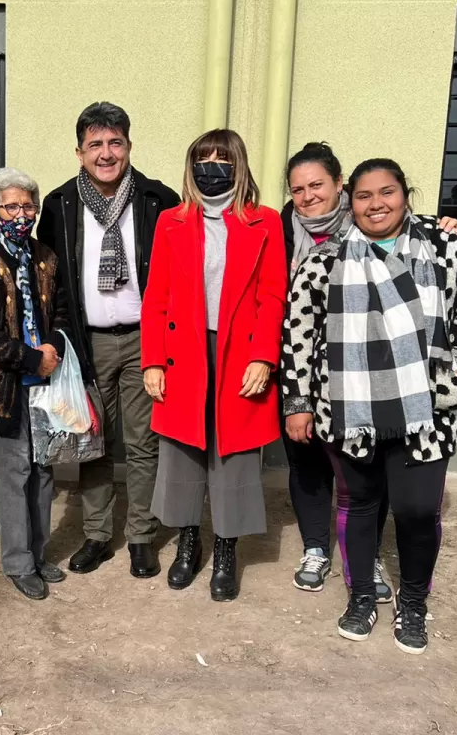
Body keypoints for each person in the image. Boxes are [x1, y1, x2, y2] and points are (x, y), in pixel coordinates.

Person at [280, 158, 457, 654]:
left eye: (387, 192)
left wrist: (456, 363)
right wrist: (298, 401)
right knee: (358, 504)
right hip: (348, 404)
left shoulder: (448, 245)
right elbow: (297, 332)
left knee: (418, 510)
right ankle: (361, 598)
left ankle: (414, 602)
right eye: (364, 195)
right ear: (348, 200)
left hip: (427, 406)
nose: (376, 204)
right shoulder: (326, 258)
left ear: (405, 194)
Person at [140, 129, 286, 601]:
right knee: (183, 451)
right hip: (184, 351)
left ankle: (226, 550)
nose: (211, 167)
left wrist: (265, 355)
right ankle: (188, 543)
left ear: (238, 165)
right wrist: (153, 361)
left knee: (235, 455)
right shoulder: (172, 221)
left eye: (222, 159)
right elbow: (156, 296)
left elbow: (272, 294)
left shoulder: (263, 221)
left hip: (239, 350)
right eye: (202, 159)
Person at [36, 102, 180, 579]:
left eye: (115, 142)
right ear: (79, 152)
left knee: (143, 444)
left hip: (146, 340)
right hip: (88, 342)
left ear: (129, 147)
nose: (106, 153)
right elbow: (49, 280)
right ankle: (97, 534)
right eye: (95, 144)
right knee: (94, 441)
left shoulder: (159, 201)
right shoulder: (59, 205)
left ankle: (140, 535)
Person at [0, 168, 71, 600]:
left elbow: (61, 311)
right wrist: (30, 357)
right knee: (14, 473)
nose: (21, 214)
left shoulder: (45, 256)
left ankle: (40, 554)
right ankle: (18, 562)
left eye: (28, 206)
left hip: (44, 383)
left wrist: (53, 347)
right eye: (12, 206)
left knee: (43, 472)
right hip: (3, 388)